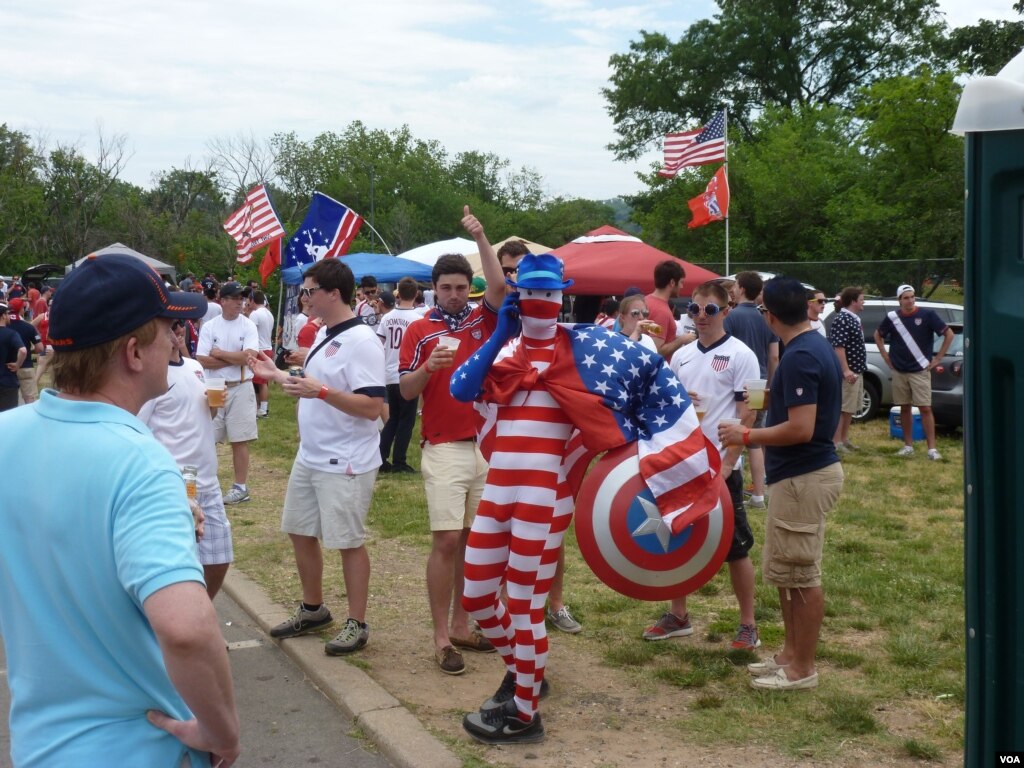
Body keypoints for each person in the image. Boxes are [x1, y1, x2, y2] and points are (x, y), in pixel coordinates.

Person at [451, 253, 720, 743]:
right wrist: (497, 334)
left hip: (544, 495)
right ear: (518, 296)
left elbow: (649, 378)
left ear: (562, 298)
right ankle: (524, 675)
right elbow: (460, 387)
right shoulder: (506, 354)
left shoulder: (584, 355)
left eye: (548, 294)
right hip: (499, 490)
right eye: (530, 293)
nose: (539, 303)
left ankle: (524, 712)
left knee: (526, 603)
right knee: (476, 594)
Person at [0, 254, 239, 766]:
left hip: (40, 746)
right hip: (138, 748)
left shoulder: (7, 436)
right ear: (133, 351)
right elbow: (187, 629)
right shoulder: (142, 463)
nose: (177, 341)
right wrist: (222, 731)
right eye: (168, 328)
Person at [253, 258, 385, 656]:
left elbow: (372, 405)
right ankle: (313, 609)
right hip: (311, 455)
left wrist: (320, 393)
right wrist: (277, 375)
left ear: (334, 293)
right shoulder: (330, 333)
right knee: (299, 530)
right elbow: (317, 384)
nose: (304, 298)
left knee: (347, 541)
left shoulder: (362, 340)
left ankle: (357, 623)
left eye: (310, 291)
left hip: (344, 459)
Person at [720, 276, 843, 692]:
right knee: (787, 573)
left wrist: (746, 435)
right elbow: (799, 404)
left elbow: (802, 428)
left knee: (802, 575)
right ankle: (789, 656)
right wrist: (766, 399)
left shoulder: (801, 355)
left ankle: (802, 668)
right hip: (795, 478)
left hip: (804, 477)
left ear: (769, 316)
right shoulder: (805, 346)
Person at [399, 206, 506, 676]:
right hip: (442, 444)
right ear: (434, 288)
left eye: (462, 287)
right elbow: (403, 391)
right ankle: (441, 636)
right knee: (445, 540)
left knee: (476, 540)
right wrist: (428, 369)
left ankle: (464, 624)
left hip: (487, 445)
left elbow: (501, 289)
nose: (454, 294)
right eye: (446, 287)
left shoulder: (483, 319)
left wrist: (482, 238)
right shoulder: (420, 329)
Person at [644, 281, 761, 649]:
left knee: (735, 547)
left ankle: (748, 624)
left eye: (709, 310)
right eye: (694, 309)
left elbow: (753, 409)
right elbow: (667, 405)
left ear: (725, 311)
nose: (700, 317)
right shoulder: (681, 355)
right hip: (684, 461)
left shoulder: (743, 354)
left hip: (721, 466)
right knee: (679, 538)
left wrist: (729, 463)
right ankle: (678, 614)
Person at [497, 238, 581, 634]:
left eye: (545, 291)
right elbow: (463, 390)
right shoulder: (503, 341)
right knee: (499, 580)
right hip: (503, 470)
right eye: (515, 277)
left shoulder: (575, 346)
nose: (533, 297)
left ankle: (550, 613)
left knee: (529, 585)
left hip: (547, 478)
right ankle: (521, 664)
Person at [138, 319, 234, 599]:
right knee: (177, 564)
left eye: (180, 327)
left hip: (207, 479)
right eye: (170, 327)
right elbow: (139, 429)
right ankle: (178, 630)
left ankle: (200, 616)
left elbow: (208, 417)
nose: (177, 332)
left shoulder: (195, 368)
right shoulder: (154, 377)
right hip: (175, 482)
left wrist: (215, 405)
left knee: (218, 558)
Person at [873, 284, 954, 460]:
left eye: (912, 297)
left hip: (920, 369)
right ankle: (907, 445)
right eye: (906, 297)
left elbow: (949, 334)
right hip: (899, 370)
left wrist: (938, 358)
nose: (910, 300)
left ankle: (932, 449)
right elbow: (878, 334)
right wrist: (886, 356)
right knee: (904, 407)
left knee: (925, 407)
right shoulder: (892, 317)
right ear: (899, 300)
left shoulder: (927, 315)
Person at [196, 281, 259, 504]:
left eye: (242, 298)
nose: (240, 303)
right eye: (235, 299)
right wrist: (235, 358)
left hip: (241, 386)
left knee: (240, 439)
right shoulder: (210, 326)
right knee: (207, 438)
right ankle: (204, 483)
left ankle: (240, 486)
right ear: (222, 301)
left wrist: (220, 354)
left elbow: (249, 357)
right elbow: (202, 359)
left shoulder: (248, 325)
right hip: (214, 387)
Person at [724, 271, 779, 509]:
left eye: (735, 285)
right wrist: (770, 386)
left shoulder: (731, 317)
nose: (733, 289)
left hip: (736, 386)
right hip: (760, 384)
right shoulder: (766, 318)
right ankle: (759, 493)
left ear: (743, 289)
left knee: (732, 435)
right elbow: (774, 356)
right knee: (755, 439)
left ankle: (731, 486)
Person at [377, 277, 422, 473]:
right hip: (408, 372)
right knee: (406, 420)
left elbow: (379, 344)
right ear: (416, 294)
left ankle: (380, 456)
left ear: (398, 294)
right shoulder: (418, 319)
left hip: (389, 371)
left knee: (394, 418)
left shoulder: (387, 318)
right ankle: (399, 461)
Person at [828, 287, 867, 453]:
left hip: (857, 370)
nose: (863, 302)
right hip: (848, 372)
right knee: (843, 408)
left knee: (850, 408)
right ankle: (836, 442)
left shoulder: (853, 318)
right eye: (861, 299)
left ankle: (844, 439)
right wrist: (846, 370)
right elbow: (839, 347)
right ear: (853, 301)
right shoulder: (843, 319)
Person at [645, 259, 693, 357]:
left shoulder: (645, 300)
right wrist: (682, 339)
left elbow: (649, 336)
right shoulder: (661, 311)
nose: (682, 286)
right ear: (672, 282)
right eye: (681, 282)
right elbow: (657, 351)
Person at [7, 298, 42, 404]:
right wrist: (31, 351)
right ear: (22, 310)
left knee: (7, 400)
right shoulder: (29, 327)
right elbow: (40, 348)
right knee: (30, 398)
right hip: (26, 365)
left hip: (7, 366)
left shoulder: (4, 326)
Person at [248, 290, 275, 419]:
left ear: (252, 300)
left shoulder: (255, 314)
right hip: (268, 347)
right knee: (261, 381)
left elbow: (250, 332)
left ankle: (262, 409)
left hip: (259, 349)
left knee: (260, 381)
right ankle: (260, 407)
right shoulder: (268, 313)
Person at [0, 303, 27, 412]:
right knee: (7, 417)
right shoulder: (11, 334)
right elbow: (23, 350)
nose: (9, 316)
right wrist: (17, 364)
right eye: (7, 314)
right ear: (2, 316)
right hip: (7, 381)